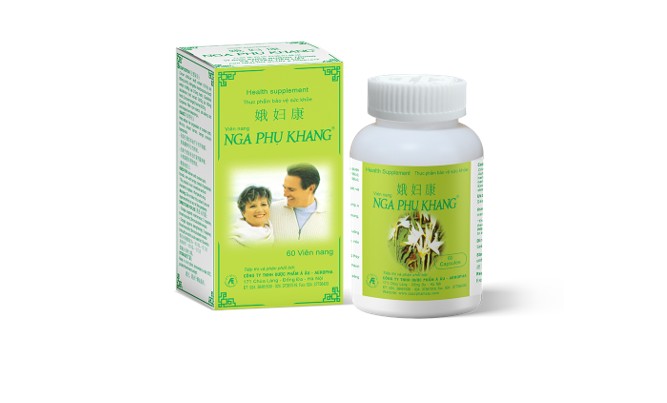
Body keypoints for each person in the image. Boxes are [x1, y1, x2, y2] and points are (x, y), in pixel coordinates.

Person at [271, 163, 328, 241]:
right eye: (284, 188)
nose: (285, 194)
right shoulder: (270, 211)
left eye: (291, 189)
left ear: (311, 188)